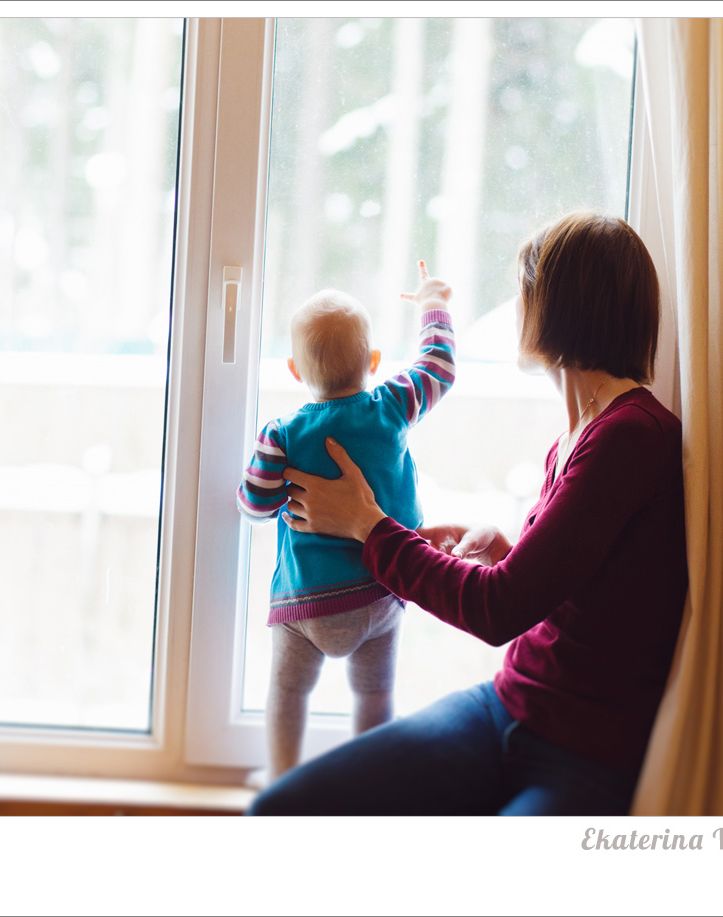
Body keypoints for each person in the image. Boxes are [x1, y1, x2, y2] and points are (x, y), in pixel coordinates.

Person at [248, 212, 688, 815]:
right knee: (283, 809)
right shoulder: (581, 434)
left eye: (523, 292)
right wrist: (510, 552)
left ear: (563, 306)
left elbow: (496, 609)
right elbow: (571, 583)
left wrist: (368, 525)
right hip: (508, 706)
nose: (516, 308)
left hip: (582, 750)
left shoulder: (631, 436)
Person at [237, 264, 456, 780]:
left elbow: (255, 506)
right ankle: (371, 778)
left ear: (295, 371)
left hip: (306, 604)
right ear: (374, 361)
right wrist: (433, 301)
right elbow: (439, 366)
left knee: (289, 691)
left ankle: (281, 772)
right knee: (375, 693)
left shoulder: (282, 433)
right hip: (381, 593)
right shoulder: (392, 405)